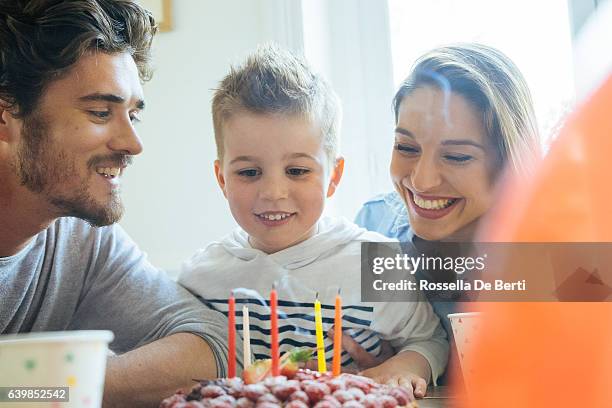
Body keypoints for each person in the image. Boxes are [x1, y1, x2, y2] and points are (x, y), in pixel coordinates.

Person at [0, 1, 237, 406]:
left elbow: (217, 344)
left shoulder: (79, 238)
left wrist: (48, 390)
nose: (132, 143)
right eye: (99, 112)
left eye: (132, 115)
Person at [178, 45, 449, 399]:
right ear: (221, 178)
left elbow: (429, 339)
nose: (274, 191)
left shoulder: (374, 261)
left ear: (334, 176)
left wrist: (405, 365)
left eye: (297, 171)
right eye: (249, 172)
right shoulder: (200, 277)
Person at [355, 43, 541, 381]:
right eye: (406, 148)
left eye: (456, 156)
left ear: (508, 164)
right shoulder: (372, 228)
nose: (422, 181)